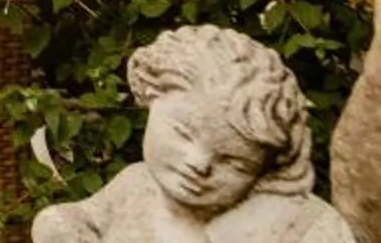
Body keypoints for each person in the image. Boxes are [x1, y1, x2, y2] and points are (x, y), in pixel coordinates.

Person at [33, 27, 354, 243]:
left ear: (266, 167)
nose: (199, 164)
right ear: (152, 97)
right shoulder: (136, 185)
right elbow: (71, 222)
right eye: (182, 132)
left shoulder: (303, 225)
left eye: (235, 162)